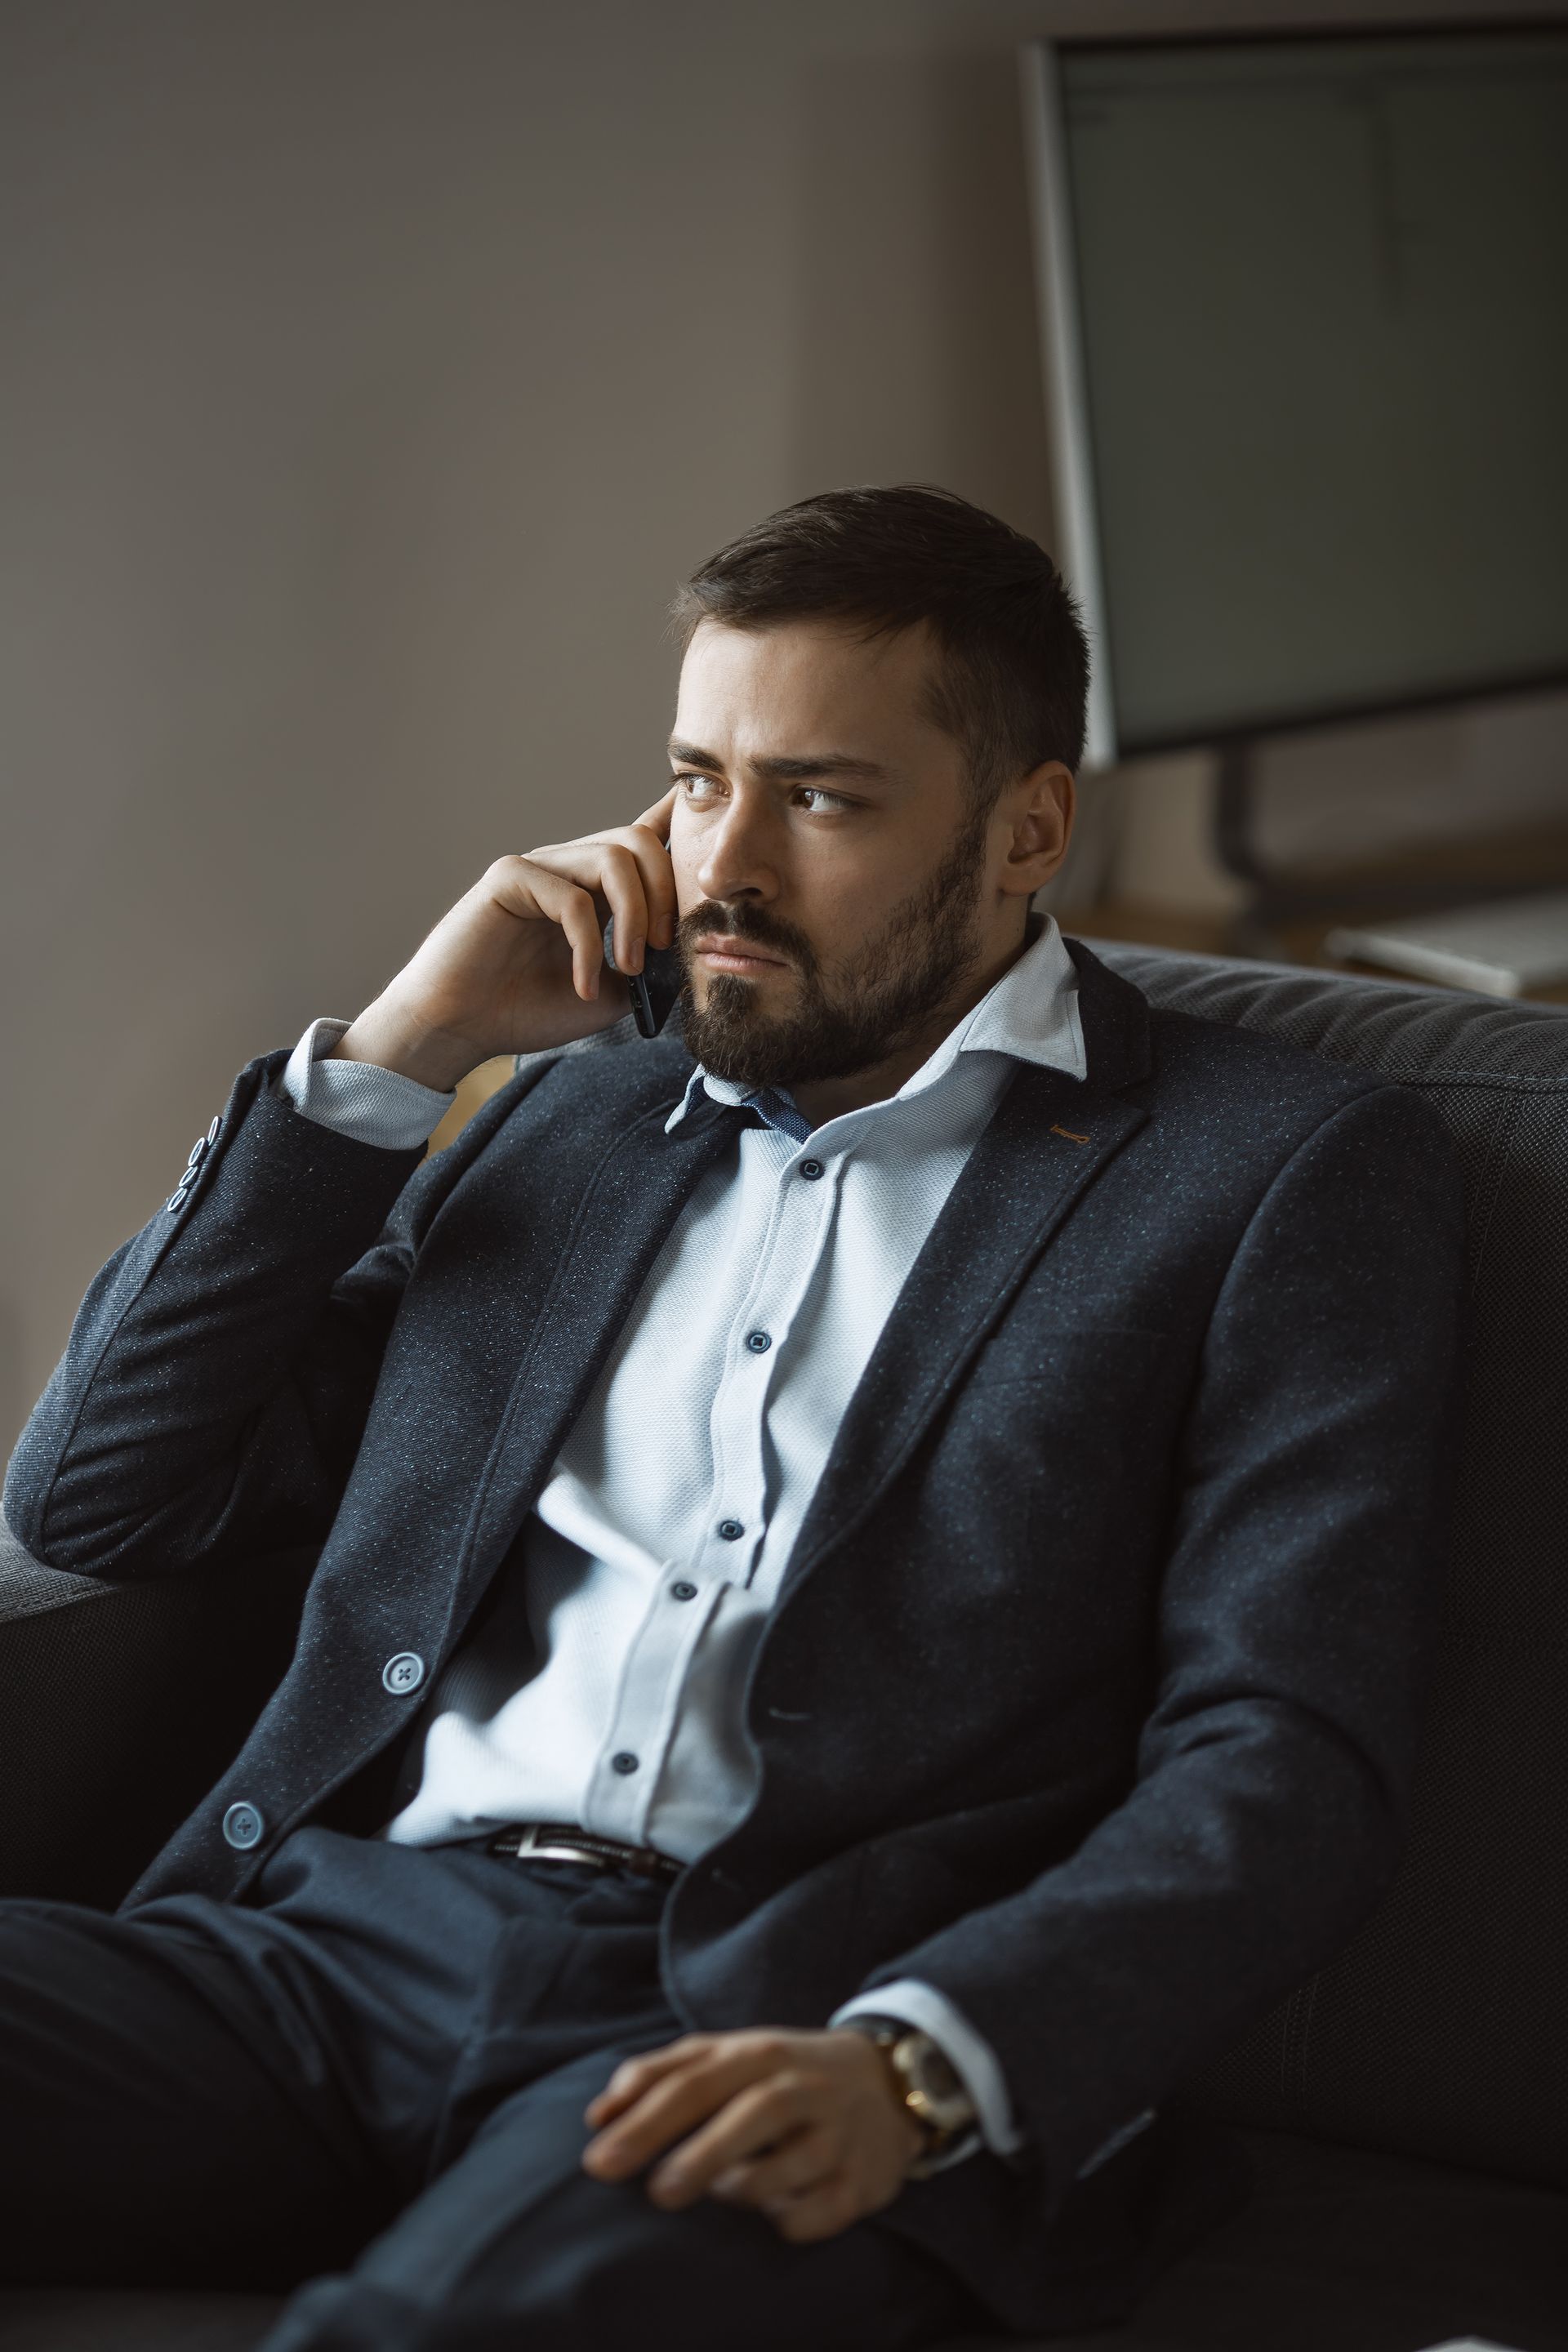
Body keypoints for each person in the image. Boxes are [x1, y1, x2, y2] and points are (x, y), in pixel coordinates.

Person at [1, 487, 1465, 2350]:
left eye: (822, 798)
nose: (722, 865)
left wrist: (923, 2070)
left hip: (776, 2018)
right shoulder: (573, 1113)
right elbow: (104, 1499)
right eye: (698, 779)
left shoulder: (1278, 1172)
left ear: (1028, 829)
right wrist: (397, 1054)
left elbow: (1288, 1745)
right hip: (329, 1960)